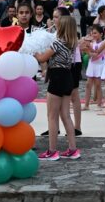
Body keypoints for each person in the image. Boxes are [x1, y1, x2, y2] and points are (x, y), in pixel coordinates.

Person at [34, 16, 81, 160]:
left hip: (57, 77)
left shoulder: (58, 43)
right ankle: (73, 149)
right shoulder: (72, 43)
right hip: (67, 77)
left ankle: (52, 151)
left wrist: (33, 48)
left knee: (52, 116)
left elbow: (42, 58)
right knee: (66, 115)